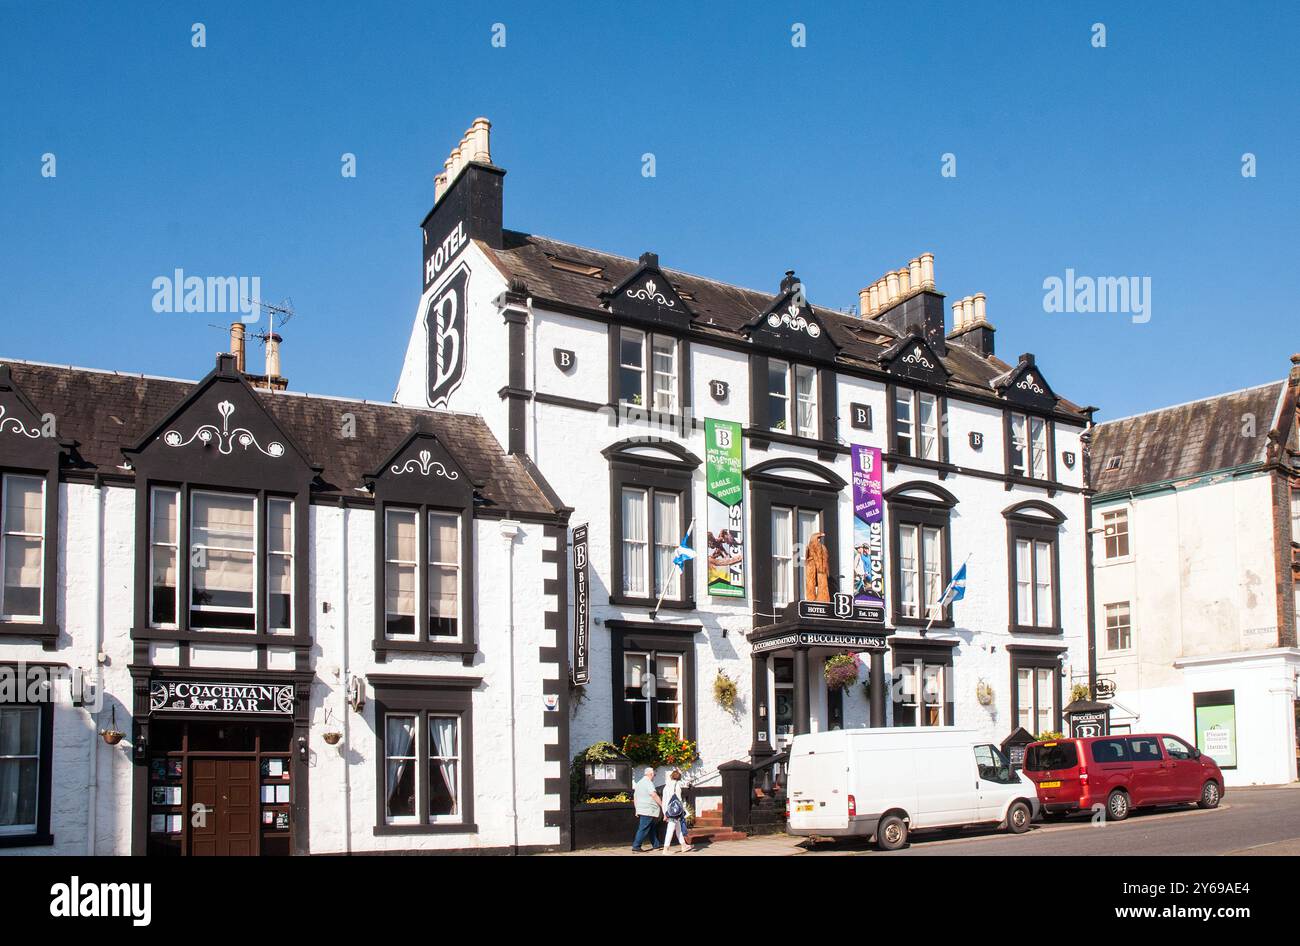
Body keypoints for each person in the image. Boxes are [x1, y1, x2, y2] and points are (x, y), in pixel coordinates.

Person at [631, 766, 662, 852]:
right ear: (651, 774)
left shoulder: (639, 783)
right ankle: (636, 846)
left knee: (651, 827)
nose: (654, 777)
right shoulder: (648, 783)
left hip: (642, 809)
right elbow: (654, 795)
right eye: (654, 775)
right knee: (643, 828)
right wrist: (662, 805)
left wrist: (636, 809)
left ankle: (656, 845)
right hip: (648, 809)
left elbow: (635, 796)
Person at [661, 768, 692, 853]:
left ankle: (683, 846)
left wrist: (665, 813)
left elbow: (664, 801)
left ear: (671, 776)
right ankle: (665, 849)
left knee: (678, 828)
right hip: (676, 811)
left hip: (669, 811)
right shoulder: (677, 786)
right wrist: (683, 810)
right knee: (670, 829)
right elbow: (679, 801)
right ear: (679, 778)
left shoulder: (666, 786)